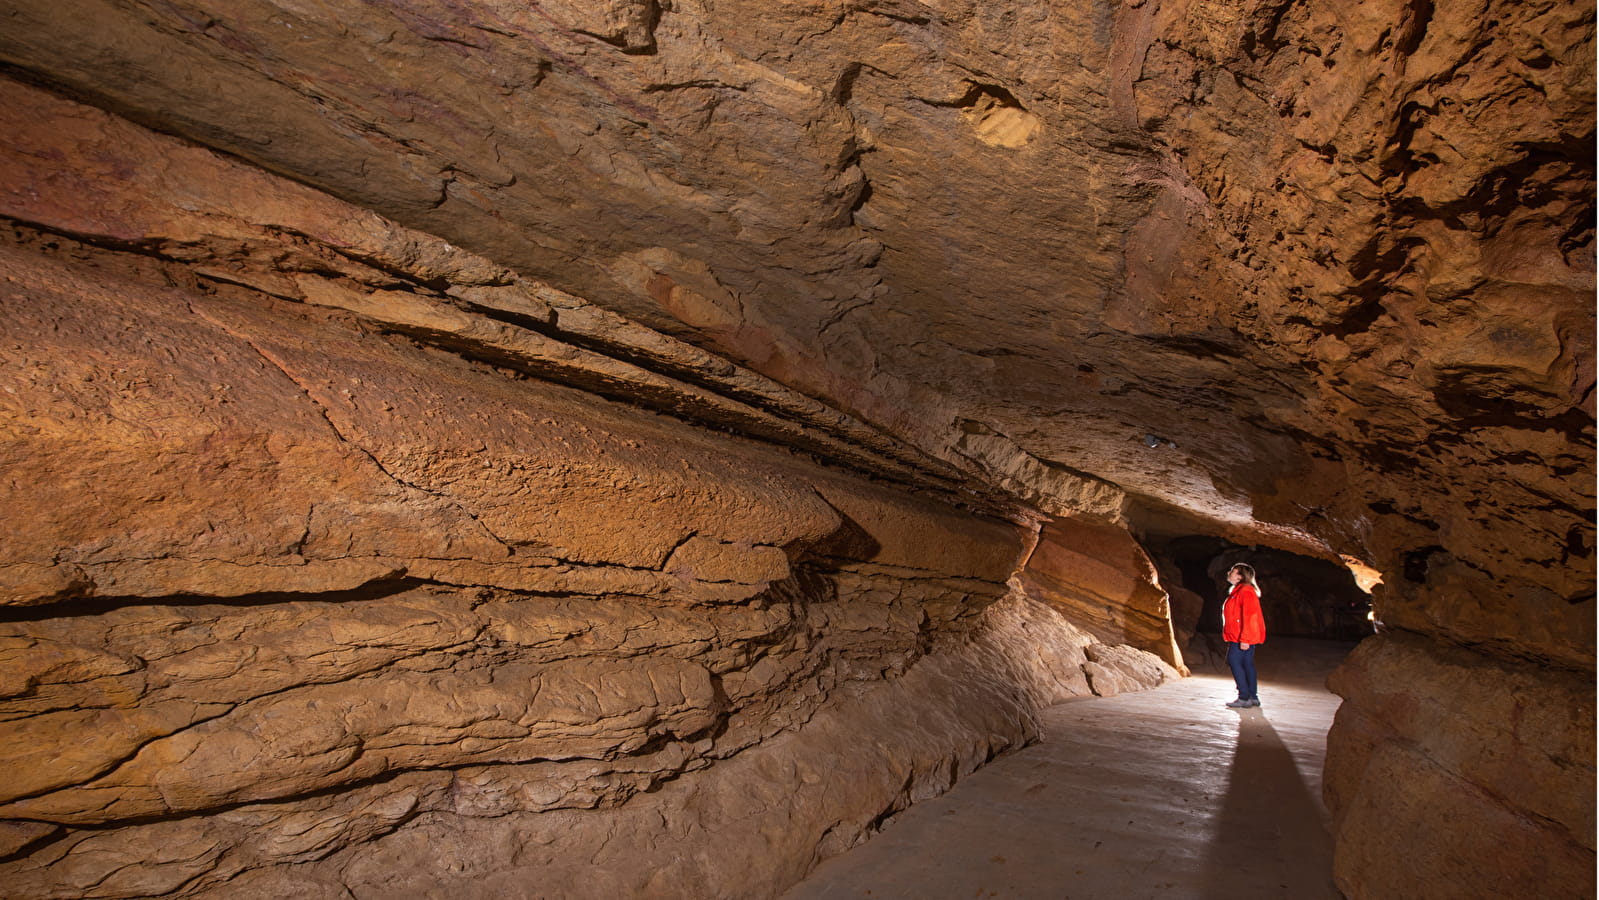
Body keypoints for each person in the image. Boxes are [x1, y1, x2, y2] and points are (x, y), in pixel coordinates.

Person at [1222, 563, 1266, 709]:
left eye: (1233, 571)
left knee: (1234, 662)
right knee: (1247, 664)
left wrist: (1245, 639)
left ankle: (1244, 697)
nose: (1229, 573)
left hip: (1241, 637)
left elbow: (1250, 616)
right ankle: (1252, 697)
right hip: (1241, 636)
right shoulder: (1239, 591)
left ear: (1240, 576)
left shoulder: (1245, 591)